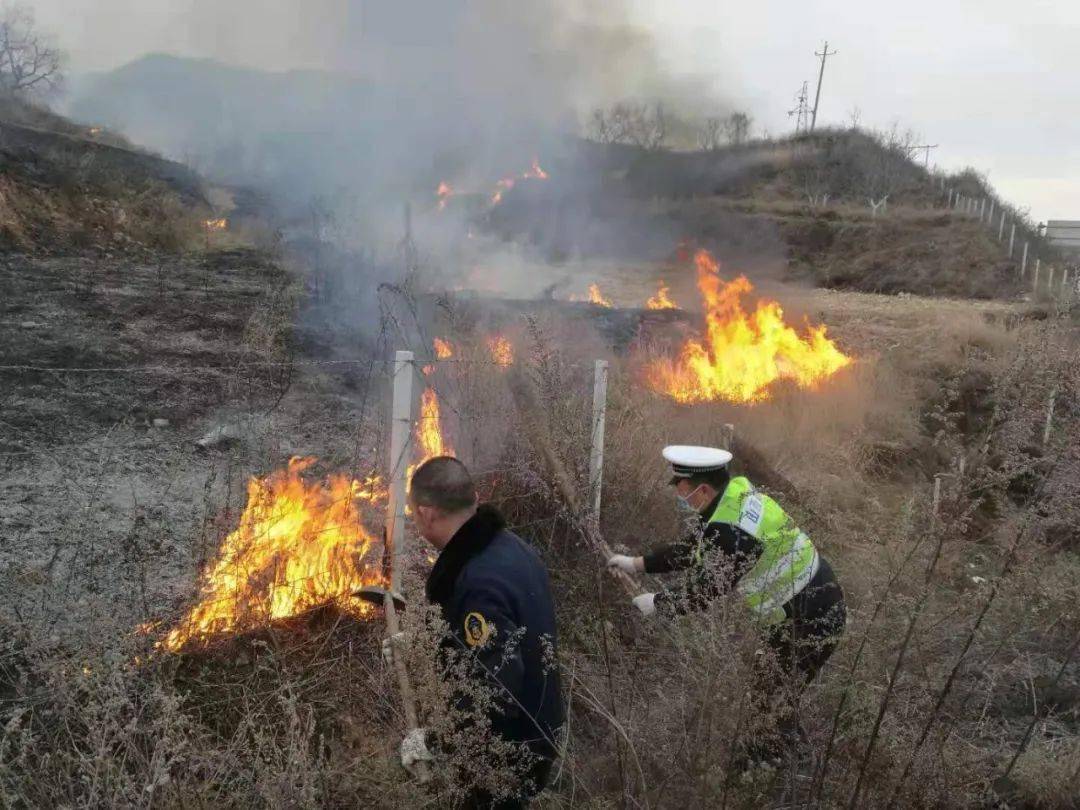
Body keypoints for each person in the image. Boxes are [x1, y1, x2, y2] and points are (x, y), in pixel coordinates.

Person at [606, 445, 846, 760]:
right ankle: (779, 756)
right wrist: (638, 564)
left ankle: (780, 768)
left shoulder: (730, 528)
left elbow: (709, 586)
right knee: (770, 690)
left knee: (771, 701)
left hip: (811, 616)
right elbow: (692, 550)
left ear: (702, 490)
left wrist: (660, 603)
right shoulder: (735, 497)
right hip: (807, 606)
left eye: (681, 490)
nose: (679, 497)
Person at [392, 456, 565, 808]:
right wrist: (428, 642)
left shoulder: (477, 584)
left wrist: (436, 742)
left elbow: (496, 694)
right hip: (540, 727)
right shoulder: (509, 548)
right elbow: (500, 636)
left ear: (425, 513)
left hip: (508, 754)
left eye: (412, 513)